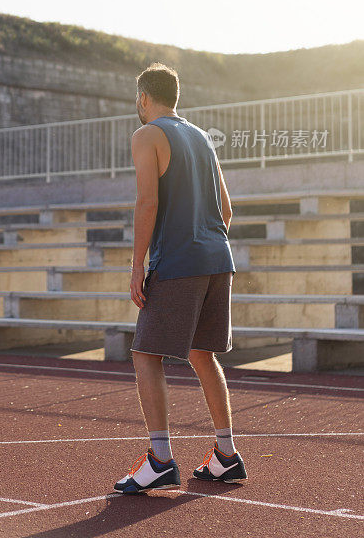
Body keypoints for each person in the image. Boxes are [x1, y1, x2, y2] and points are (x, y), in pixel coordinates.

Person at [114, 63, 246, 494]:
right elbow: (227, 210)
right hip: (217, 257)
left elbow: (147, 202)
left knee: (145, 354)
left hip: (180, 262)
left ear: (144, 98)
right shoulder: (203, 138)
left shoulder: (147, 134)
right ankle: (226, 455)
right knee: (201, 353)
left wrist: (137, 266)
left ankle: (160, 458)